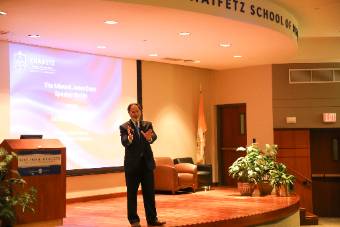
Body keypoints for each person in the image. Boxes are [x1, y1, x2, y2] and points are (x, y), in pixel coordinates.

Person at [119, 103, 166, 227]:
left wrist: (150, 138)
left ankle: (152, 219)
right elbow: (124, 142)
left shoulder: (147, 125)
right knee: (132, 194)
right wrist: (129, 138)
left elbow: (153, 136)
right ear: (129, 113)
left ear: (141, 111)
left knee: (149, 194)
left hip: (147, 165)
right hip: (132, 166)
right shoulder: (124, 127)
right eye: (132, 112)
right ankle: (134, 221)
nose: (135, 113)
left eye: (137, 111)